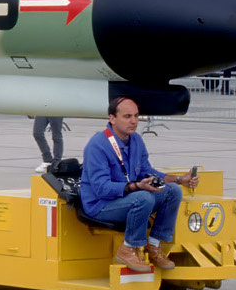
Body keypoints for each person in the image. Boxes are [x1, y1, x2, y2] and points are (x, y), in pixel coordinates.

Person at [80, 96, 197, 273]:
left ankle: (154, 245)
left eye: (136, 116)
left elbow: (147, 171)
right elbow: (101, 189)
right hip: (101, 205)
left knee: (173, 191)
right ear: (112, 118)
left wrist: (180, 179)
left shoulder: (136, 140)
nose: (134, 121)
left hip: (128, 196)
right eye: (127, 116)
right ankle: (127, 248)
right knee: (143, 198)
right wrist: (136, 187)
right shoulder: (98, 144)